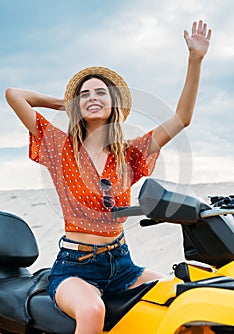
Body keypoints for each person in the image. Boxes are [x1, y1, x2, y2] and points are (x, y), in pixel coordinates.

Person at [6, 20, 211, 334]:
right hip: (76, 268)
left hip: (122, 263)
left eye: (100, 93)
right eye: (85, 93)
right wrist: (67, 104)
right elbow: (14, 95)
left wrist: (194, 61)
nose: (92, 97)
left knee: (184, 300)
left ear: (114, 103)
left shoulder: (130, 155)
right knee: (92, 311)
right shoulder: (60, 147)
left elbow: (182, 118)